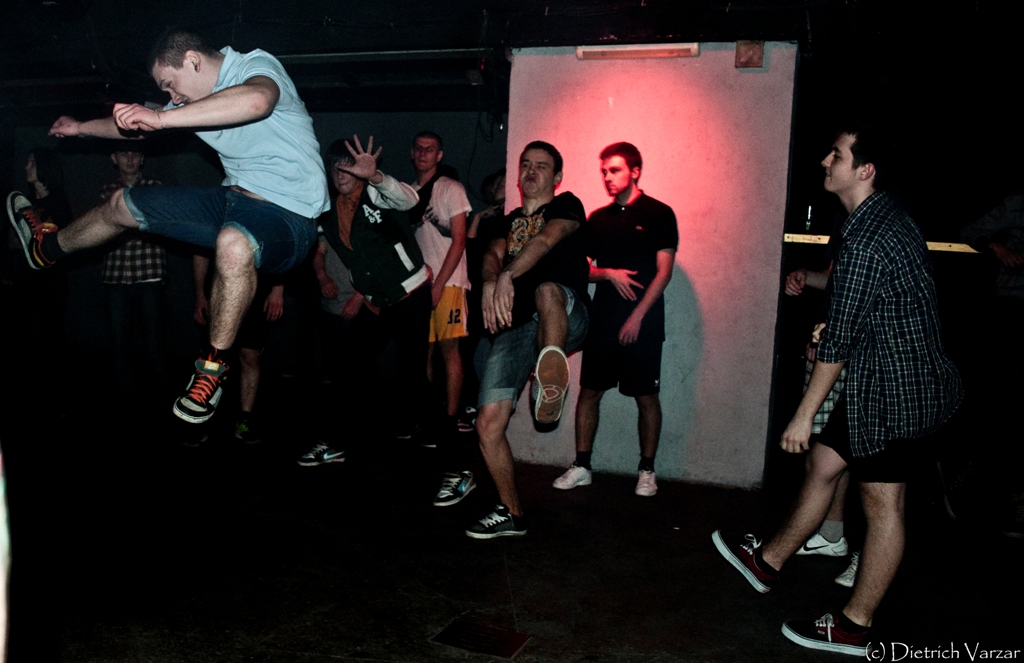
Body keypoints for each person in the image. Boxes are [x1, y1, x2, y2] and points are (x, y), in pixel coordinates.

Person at [712, 124, 963, 656]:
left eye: (837, 154)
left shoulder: (868, 237)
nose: (826, 161)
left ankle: (854, 625)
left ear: (864, 170)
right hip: (884, 380)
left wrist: (803, 414)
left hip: (898, 394)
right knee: (826, 463)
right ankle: (768, 562)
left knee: (884, 502)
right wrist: (824, 296)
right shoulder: (876, 221)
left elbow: (840, 340)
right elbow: (874, 298)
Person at [6, 28, 328, 425]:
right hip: (232, 202)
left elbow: (258, 99)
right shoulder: (187, 103)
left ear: (193, 60)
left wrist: (162, 118)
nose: (172, 96)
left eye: (170, 85)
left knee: (233, 243)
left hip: (290, 217)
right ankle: (46, 249)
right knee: (122, 204)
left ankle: (211, 369)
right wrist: (80, 128)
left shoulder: (254, 65)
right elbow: (131, 125)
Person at [466, 141, 590, 539]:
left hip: (565, 313)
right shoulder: (504, 220)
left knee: (546, 290)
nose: (531, 171)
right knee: (487, 423)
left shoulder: (567, 205)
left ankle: (548, 377)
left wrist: (507, 275)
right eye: (526, 165)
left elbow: (545, 240)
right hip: (517, 328)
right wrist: (490, 281)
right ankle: (512, 513)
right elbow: (491, 254)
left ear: (557, 177)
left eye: (542, 166)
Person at [295, 136, 431, 466]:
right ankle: (341, 441)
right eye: (335, 168)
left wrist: (376, 176)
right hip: (377, 301)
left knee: (413, 374)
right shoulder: (329, 211)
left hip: (410, 294)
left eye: (348, 167)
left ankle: (454, 461)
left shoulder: (375, 193)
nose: (341, 174)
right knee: (347, 364)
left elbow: (410, 199)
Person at [552, 142, 677, 497]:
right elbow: (582, 269)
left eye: (615, 170)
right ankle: (582, 465)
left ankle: (647, 470)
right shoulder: (597, 219)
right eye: (604, 171)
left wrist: (636, 318)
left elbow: (664, 273)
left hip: (644, 323)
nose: (608, 177)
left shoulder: (659, 213)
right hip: (603, 321)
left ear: (635, 172)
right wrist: (607, 273)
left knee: (646, 397)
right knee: (589, 393)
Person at [408, 132, 477, 505]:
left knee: (450, 351)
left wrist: (439, 284)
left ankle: (450, 419)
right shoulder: (408, 193)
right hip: (420, 284)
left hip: (448, 283)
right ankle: (432, 417)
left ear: (439, 154)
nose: (423, 153)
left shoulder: (450, 187)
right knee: (424, 354)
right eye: (418, 148)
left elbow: (460, 240)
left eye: (430, 149)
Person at [99, 148, 167, 410]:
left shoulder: (154, 187)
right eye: (123, 154)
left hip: (149, 275)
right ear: (113, 158)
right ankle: (125, 403)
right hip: (116, 275)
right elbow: (104, 231)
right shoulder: (108, 190)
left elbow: (157, 225)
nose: (130, 159)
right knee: (119, 344)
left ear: (143, 158)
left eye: (135, 154)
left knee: (154, 345)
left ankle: (162, 402)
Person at [192, 253, 283, 443]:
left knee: (250, 355)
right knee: (212, 358)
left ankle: (245, 419)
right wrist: (200, 294)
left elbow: (279, 247)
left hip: (256, 291)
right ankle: (200, 419)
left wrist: (277, 290)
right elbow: (200, 254)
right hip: (220, 293)